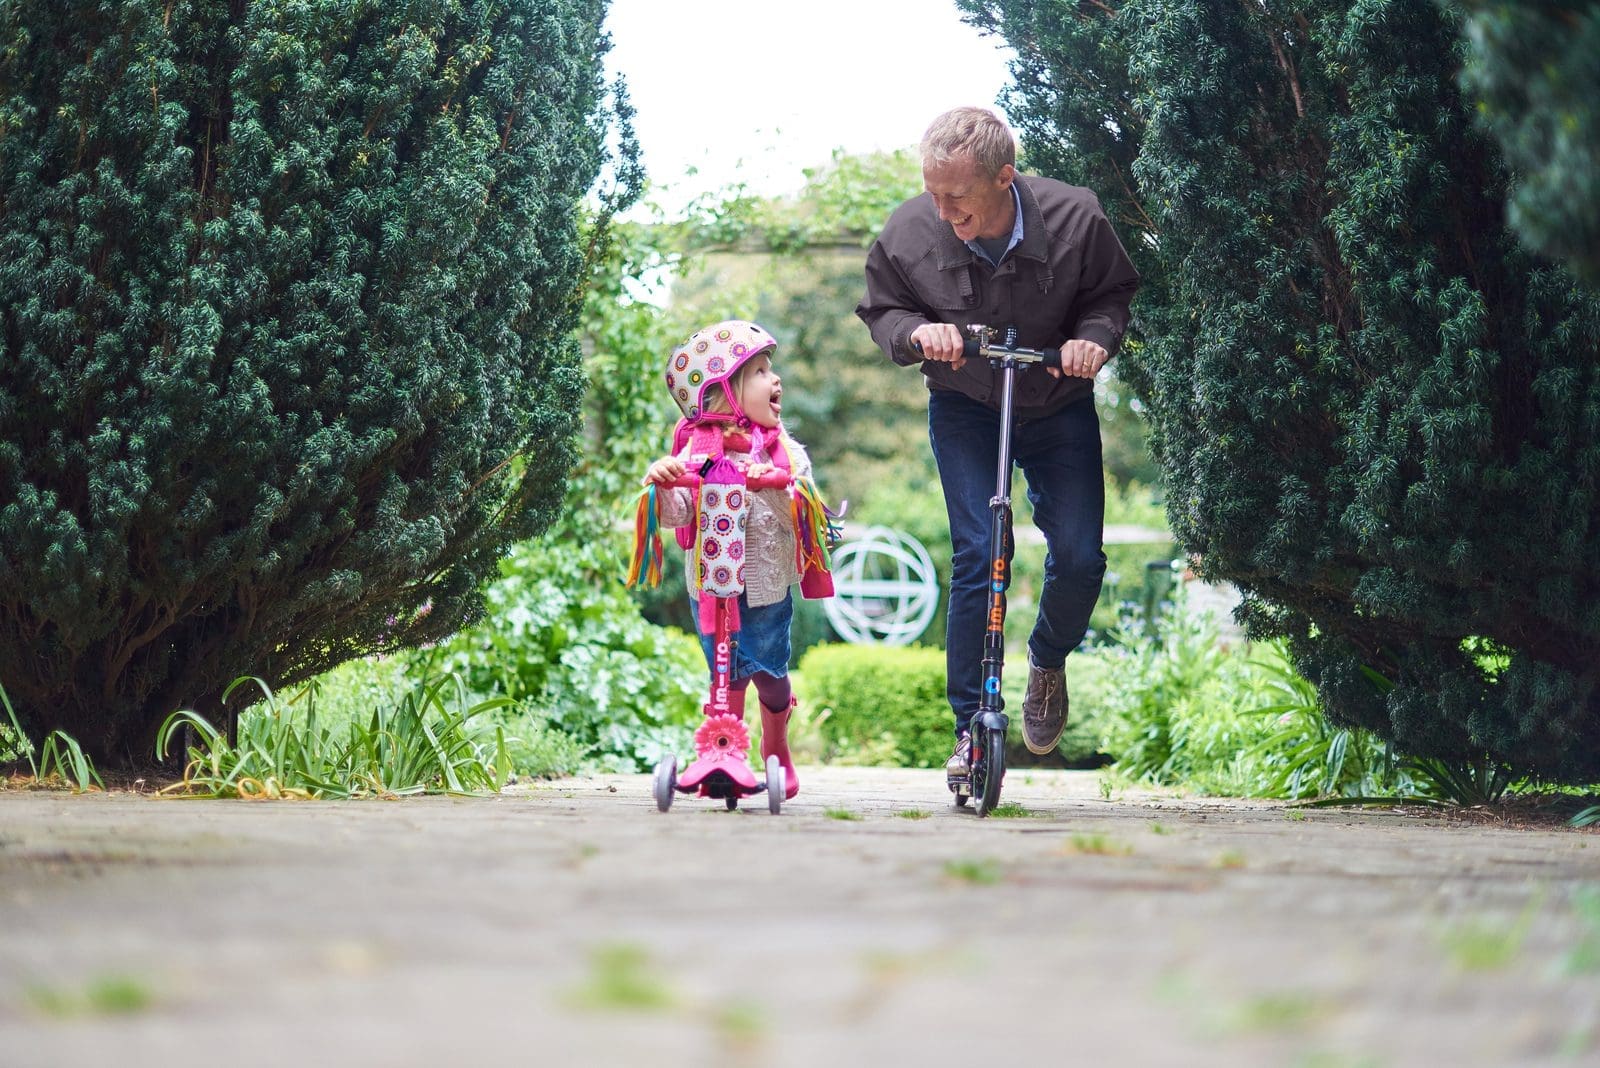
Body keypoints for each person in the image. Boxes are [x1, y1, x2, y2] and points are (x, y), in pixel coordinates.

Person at [855, 106, 1139, 787]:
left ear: (1004, 179)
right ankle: (968, 728)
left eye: (957, 198)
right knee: (980, 548)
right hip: (966, 403)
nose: (942, 209)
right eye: (933, 192)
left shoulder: (1077, 219)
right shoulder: (909, 230)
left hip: (1055, 402)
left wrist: (1092, 340)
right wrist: (918, 335)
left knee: (1079, 554)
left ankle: (1047, 661)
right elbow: (884, 308)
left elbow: (1111, 295)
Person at [640, 319, 835, 799]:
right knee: (723, 674)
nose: (776, 381)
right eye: (762, 372)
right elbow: (677, 512)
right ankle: (725, 754)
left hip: (764, 587)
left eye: (773, 370)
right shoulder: (695, 450)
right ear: (726, 392)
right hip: (708, 586)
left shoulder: (785, 452)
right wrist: (664, 483)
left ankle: (775, 746)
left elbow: (800, 511)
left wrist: (768, 480)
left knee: (767, 669)